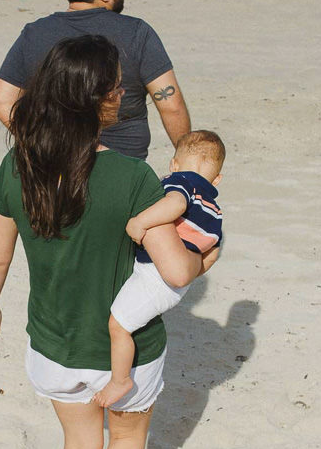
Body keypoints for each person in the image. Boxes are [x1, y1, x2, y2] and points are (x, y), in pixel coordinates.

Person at [0, 35, 213, 449]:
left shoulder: (19, 165)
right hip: (125, 350)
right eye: (116, 85)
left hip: (53, 345)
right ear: (99, 101)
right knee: (126, 441)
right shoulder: (133, 178)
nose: (123, 91)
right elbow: (177, 272)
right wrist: (210, 254)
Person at [0, 0, 191, 160]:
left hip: (56, 175)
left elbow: (1, 102)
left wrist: (41, 147)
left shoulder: (34, 34)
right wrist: (188, 164)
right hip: (123, 170)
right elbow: (171, 106)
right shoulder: (136, 33)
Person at [93, 130, 225, 408]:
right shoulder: (215, 211)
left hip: (156, 276)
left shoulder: (180, 182)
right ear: (217, 179)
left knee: (118, 326)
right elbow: (211, 255)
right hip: (180, 282)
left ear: (174, 164)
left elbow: (175, 205)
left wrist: (140, 222)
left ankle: (120, 380)